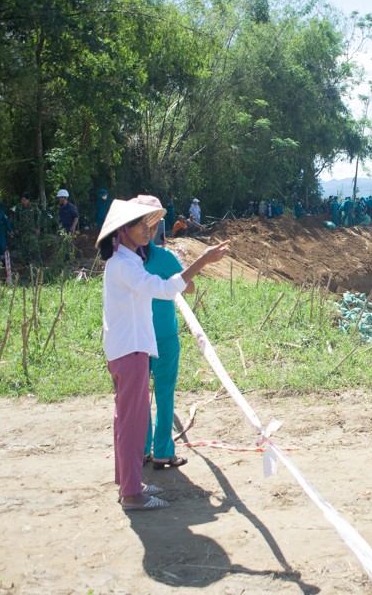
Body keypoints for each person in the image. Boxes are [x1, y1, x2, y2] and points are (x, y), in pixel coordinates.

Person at [97, 197, 229, 511]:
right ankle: (132, 494)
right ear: (123, 230)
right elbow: (166, 290)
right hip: (130, 350)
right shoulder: (125, 264)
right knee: (132, 423)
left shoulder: (125, 261)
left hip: (128, 348)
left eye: (150, 225)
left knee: (127, 420)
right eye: (141, 225)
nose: (148, 231)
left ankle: (129, 483)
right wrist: (204, 260)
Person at [133, 195, 190, 471]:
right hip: (164, 336)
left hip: (136, 338)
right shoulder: (165, 257)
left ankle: (142, 450)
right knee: (164, 393)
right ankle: (163, 452)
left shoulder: (125, 261)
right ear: (155, 228)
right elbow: (187, 287)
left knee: (140, 394)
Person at [14, 192, 42, 265]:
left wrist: (38, 228)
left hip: (32, 230)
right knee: (24, 248)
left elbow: (38, 218)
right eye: (22, 200)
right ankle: (27, 264)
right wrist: (16, 228)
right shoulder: (18, 207)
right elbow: (15, 218)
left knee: (35, 247)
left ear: (28, 200)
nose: (23, 201)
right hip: (23, 231)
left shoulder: (34, 207)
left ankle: (39, 263)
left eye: (24, 200)